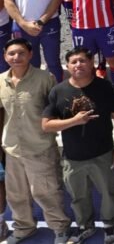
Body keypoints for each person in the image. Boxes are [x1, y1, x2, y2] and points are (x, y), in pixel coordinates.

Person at [42, 47, 114, 244]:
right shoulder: (58, 90)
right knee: (78, 197)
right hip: (73, 157)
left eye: (82, 61)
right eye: (73, 62)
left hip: (103, 153)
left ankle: (110, 227)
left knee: (108, 193)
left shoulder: (105, 87)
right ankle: (85, 227)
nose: (78, 65)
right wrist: (74, 121)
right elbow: (46, 125)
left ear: (92, 63)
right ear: (68, 66)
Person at [0, 38, 71, 244]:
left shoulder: (44, 78)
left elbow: (56, 110)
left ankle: (59, 229)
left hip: (40, 147)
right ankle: (23, 228)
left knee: (47, 192)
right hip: (12, 149)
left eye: (21, 53)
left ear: (30, 55)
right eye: (11, 54)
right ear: (5, 56)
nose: (16, 57)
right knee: (16, 194)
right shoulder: (1, 80)